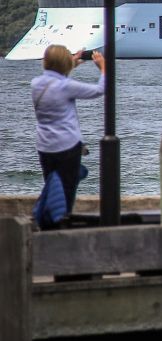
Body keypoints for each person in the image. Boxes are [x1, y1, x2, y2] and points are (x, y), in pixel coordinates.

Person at [31, 45, 106, 222]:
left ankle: (48, 218)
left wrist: (70, 63)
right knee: (67, 188)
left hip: (44, 146)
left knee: (52, 185)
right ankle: (60, 221)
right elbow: (99, 90)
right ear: (64, 64)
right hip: (67, 145)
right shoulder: (66, 86)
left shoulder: (36, 84)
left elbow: (54, 79)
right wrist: (103, 68)